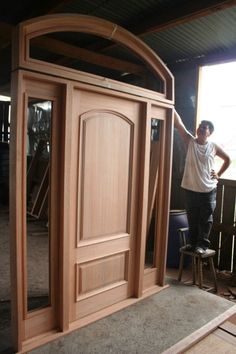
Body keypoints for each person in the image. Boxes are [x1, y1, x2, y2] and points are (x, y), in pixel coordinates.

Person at [174, 109, 231, 254]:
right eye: (200, 126)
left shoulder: (213, 147)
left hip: (208, 190)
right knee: (192, 218)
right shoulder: (190, 141)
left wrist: (218, 173)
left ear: (209, 132)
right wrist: (172, 106)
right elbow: (179, 124)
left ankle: (202, 245)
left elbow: (228, 159)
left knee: (205, 220)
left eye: (204, 127)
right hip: (191, 189)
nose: (200, 128)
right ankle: (192, 244)